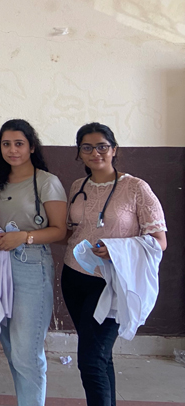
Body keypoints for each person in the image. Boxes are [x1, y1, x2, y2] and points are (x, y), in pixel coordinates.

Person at [62, 122, 167, 406]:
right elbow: (74, 230)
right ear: (79, 153)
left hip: (112, 283)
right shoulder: (77, 186)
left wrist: (116, 249)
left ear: (114, 149)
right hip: (74, 278)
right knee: (100, 355)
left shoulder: (136, 188)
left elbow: (159, 241)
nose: (95, 153)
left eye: (102, 146)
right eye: (87, 147)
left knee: (90, 361)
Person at [0, 119, 67, 406]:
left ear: (32, 147)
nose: (12, 150)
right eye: (6, 144)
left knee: (26, 352)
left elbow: (59, 230)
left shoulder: (46, 182)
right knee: (10, 347)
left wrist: (24, 238)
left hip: (31, 267)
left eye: (19, 144)